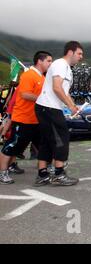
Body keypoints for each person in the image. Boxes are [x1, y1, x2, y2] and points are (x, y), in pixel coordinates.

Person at [34, 41, 83, 186]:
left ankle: (42, 174)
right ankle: (59, 174)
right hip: (49, 107)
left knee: (48, 140)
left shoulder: (65, 67)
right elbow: (57, 87)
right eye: (79, 53)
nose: (81, 57)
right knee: (62, 138)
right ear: (70, 52)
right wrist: (71, 106)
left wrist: (72, 104)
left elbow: (62, 90)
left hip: (47, 107)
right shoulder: (61, 64)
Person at [0, 51, 53, 184]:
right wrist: (43, 99)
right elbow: (24, 94)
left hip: (36, 120)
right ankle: (2, 173)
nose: (50, 64)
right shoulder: (29, 75)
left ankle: (46, 170)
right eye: (49, 61)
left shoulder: (42, 77)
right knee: (12, 146)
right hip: (23, 119)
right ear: (40, 61)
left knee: (43, 145)